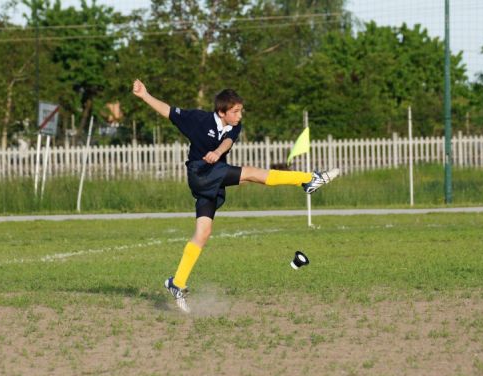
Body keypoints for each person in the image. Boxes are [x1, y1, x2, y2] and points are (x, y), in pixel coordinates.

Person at [132, 79, 339, 313]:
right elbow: (168, 111)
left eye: (240, 110)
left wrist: (218, 152)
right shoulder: (198, 119)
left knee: (203, 232)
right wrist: (145, 95)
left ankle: (176, 282)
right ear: (222, 112)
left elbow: (228, 141)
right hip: (200, 173)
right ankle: (308, 179)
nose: (240, 115)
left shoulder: (234, 126)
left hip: (213, 176)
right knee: (251, 173)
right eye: (235, 111)